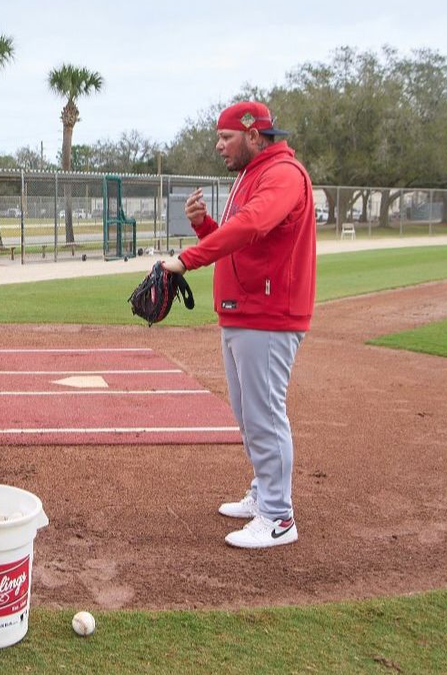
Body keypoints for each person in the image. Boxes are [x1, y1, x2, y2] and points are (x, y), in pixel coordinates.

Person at [160, 101, 316, 549]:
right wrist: (203, 226)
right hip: (244, 310)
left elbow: (251, 225)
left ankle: (279, 516)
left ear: (252, 135)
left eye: (226, 137)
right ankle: (265, 492)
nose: (218, 145)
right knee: (248, 416)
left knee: (264, 415)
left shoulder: (282, 173)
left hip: (269, 314)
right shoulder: (253, 173)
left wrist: (187, 259)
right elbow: (240, 244)